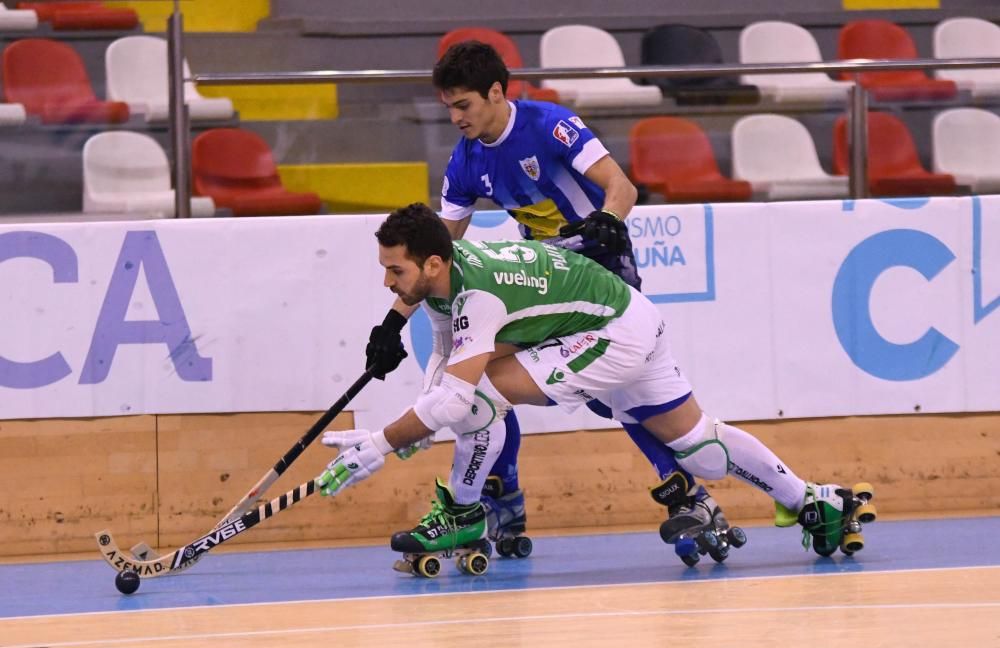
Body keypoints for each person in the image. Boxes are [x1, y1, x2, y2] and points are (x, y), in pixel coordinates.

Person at [319, 204, 876, 572]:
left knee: (479, 399)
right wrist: (419, 418)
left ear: (432, 262)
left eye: (395, 271)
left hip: (613, 333)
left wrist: (382, 443)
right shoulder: (446, 278)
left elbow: (454, 395)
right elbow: (444, 356)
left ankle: (464, 513)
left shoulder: (476, 295)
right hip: (626, 316)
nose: (388, 283)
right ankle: (816, 503)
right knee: (703, 453)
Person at [364, 41, 737, 565]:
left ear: (496, 92)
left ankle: (687, 493)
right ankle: (503, 494)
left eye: (463, 105)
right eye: (447, 107)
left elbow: (622, 188)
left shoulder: (551, 125)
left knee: (616, 396)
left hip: (601, 273)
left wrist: (609, 220)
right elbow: (433, 253)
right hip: (545, 283)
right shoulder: (466, 159)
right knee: (484, 373)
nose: (455, 118)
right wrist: (392, 322)